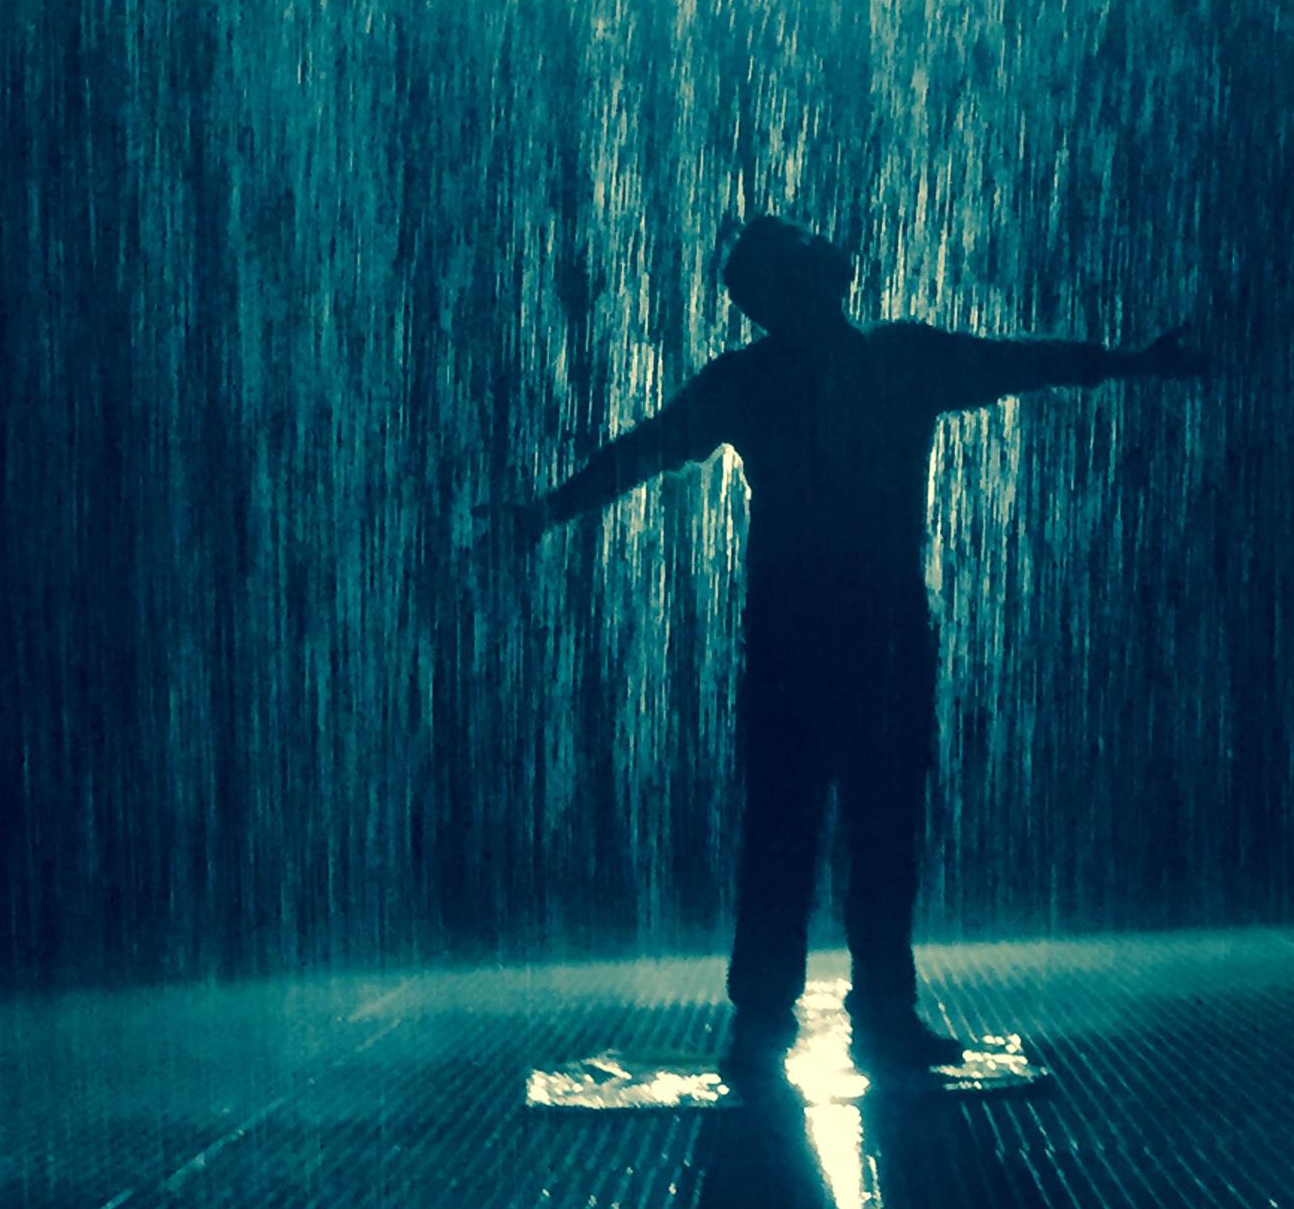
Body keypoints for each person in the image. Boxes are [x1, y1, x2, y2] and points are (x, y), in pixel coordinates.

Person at [480, 216, 1205, 1076]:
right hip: (879, 638)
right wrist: (1137, 361)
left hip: (799, 639)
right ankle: (871, 1016)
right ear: (824, 280)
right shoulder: (894, 362)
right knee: (873, 829)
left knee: (795, 829)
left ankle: (767, 1022)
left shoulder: (757, 380)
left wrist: (544, 514)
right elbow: (1030, 364)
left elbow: (642, 452)